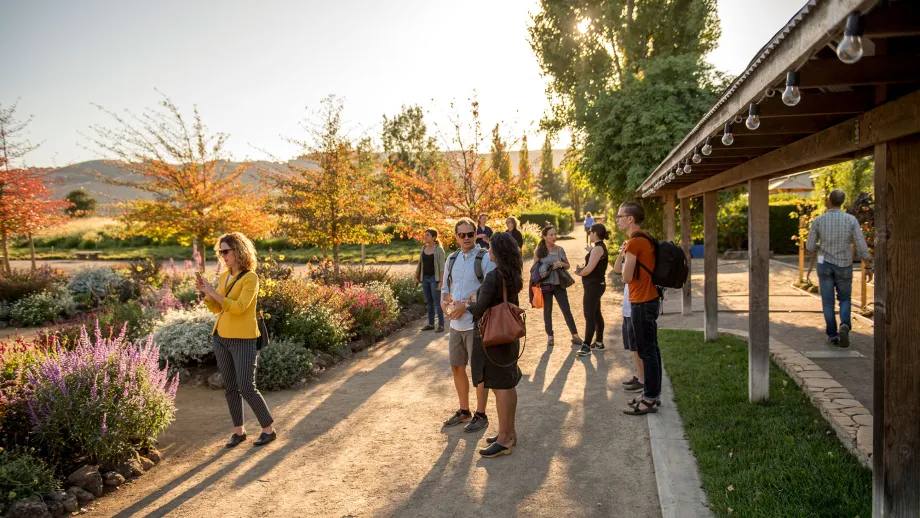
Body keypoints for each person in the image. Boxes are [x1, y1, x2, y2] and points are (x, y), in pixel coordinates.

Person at [197, 232, 277, 447]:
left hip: (243, 339)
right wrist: (207, 293)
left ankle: (268, 429)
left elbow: (239, 308)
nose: (222, 256)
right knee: (230, 387)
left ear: (238, 251)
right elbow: (217, 308)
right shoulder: (224, 277)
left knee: (247, 387)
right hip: (221, 337)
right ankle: (238, 432)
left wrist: (215, 292)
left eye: (226, 251)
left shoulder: (250, 277)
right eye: (220, 252)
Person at [466, 231, 523, 457]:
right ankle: (509, 433)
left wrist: (470, 303)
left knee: (501, 388)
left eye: (490, 248)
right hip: (508, 336)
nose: (487, 251)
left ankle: (504, 440)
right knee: (508, 384)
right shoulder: (512, 274)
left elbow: (479, 310)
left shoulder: (494, 277)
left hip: (494, 338)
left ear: (497, 252)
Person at [440, 218, 495, 432]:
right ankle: (464, 411)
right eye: (461, 235)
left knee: (478, 371)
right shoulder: (451, 259)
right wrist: (445, 305)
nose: (466, 238)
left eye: (469, 234)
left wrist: (466, 304)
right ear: (456, 236)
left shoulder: (484, 257)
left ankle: (481, 414)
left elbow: (490, 288)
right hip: (456, 325)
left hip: (476, 323)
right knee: (457, 367)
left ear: (476, 234)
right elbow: (445, 289)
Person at [612, 202, 662, 416]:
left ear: (630, 218)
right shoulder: (646, 238)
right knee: (652, 349)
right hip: (649, 298)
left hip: (641, 301)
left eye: (620, 216)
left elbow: (625, 276)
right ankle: (651, 394)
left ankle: (650, 399)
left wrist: (624, 256)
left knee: (647, 351)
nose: (618, 219)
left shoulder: (634, 243)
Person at [805, 189, 873, 348]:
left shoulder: (818, 221)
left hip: (825, 264)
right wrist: (868, 265)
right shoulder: (851, 220)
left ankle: (832, 335)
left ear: (829, 201)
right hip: (844, 264)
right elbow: (861, 244)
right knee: (844, 298)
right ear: (842, 202)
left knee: (827, 302)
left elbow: (809, 246)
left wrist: (820, 247)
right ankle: (845, 325)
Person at [535, 224, 583, 348]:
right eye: (551, 234)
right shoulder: (539, 251)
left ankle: (575, 335)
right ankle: (550, 337)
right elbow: (534, 270)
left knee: (566, 309)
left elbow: (568, 266)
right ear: (544, 236)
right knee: (548, 311)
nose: (554, 236)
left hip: (558, 284)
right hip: (545, 285)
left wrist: (561, 263)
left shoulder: (559, 249)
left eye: (555, 234)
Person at [574, 223, 610, 357]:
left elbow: (589, 269)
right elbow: (592, 266)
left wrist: (578, 272)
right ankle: (599, 342)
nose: (589, 234)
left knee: (589, 315)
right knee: (596, 313)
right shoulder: (598, 248)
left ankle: (586, 345)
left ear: (595, 233)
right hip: (595, 285)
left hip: (593, 286)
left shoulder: (597, 249)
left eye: (590, 232)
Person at [416, 228, 446, 333]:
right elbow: (420, 264)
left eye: (427, 235)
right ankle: (431, 324)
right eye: (425, 235)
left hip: (435, 279)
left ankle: (441, 325)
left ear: (434, 237)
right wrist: (417, 278)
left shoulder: (439, 250)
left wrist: (441, 282)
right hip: (425, 279)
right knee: (429, 302)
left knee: (437, 303)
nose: (425, 236)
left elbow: (442, 268)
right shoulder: (423, 248)